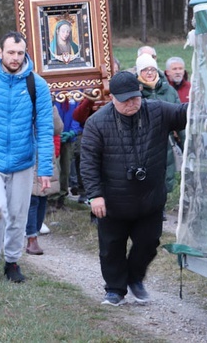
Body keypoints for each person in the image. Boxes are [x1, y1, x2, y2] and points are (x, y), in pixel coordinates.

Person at [80, 71, 187, 306]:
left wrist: (204, 106)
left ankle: (135, 278)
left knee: (149, 243)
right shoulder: (97, 123)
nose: (131, 104)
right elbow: (88, 163)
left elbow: (183, 114)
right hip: (112, 200)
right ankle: (115, 289)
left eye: (135, 98)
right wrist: (95, 195)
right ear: (113, 99)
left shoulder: (157, 110)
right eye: (125, 100)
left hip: (149, 198)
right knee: (111, 247)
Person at [0, 31, 54, 283]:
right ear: (0, 52)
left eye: (19, 53)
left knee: (18, 214)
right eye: (10, 52)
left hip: (23, 161)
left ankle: (12, 262)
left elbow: (45, 128)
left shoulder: (36, 84)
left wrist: (44, 168)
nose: (15, 58)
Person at [136, 53, 182, 216]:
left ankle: (160, 207)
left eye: (152, 69)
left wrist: (186, 141)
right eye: (145, 70)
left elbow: (179, 115)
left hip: (166, 139)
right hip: (143, 141)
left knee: (166, 173)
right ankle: (148, 207)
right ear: (139, 72)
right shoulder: (136, 91)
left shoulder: (168, 90)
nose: (149, 73)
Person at [25, 104, 63, 255]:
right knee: (32, 198)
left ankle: (35, 230)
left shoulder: (47, 104)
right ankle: (31, 236)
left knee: (42, 196)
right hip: (26, 153)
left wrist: (51, 106)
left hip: (45, 154)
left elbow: (58, 128)